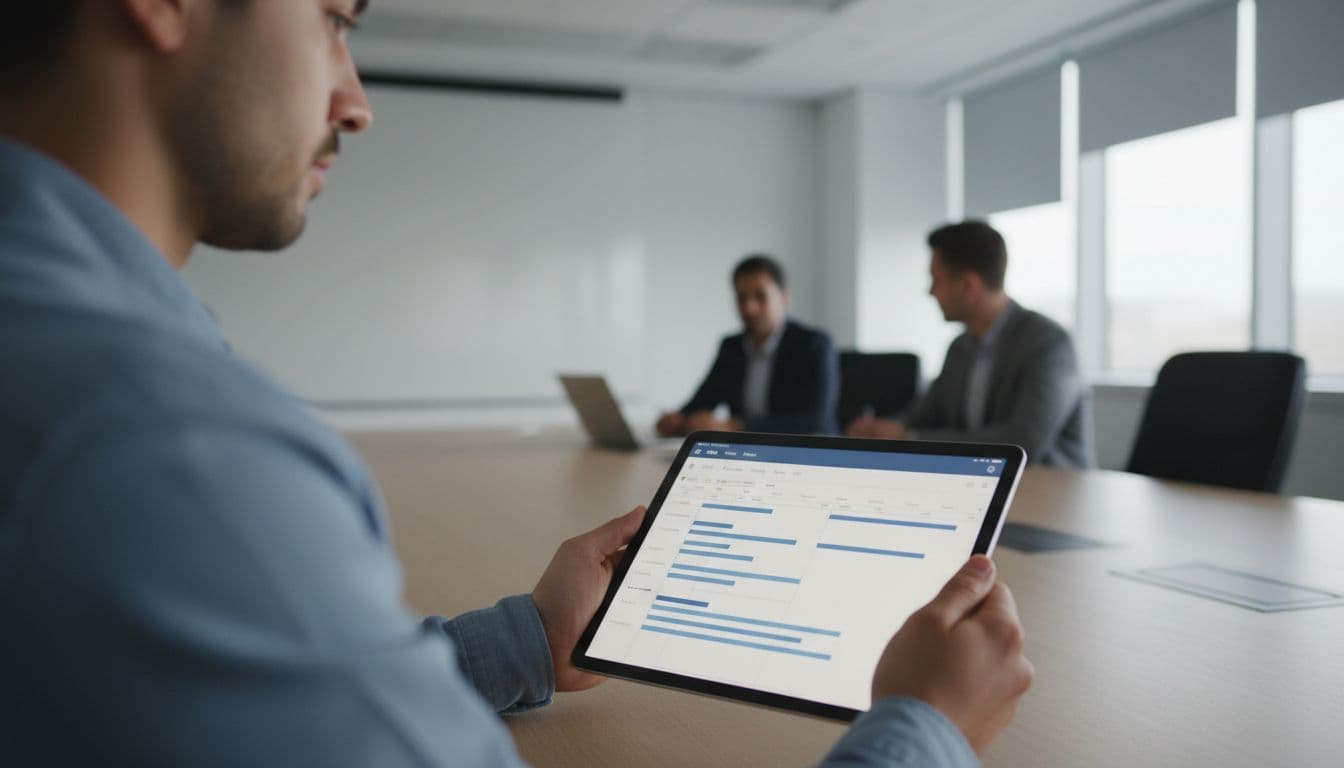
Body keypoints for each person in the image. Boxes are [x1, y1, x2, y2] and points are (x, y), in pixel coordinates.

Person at [0, 2, 1031, 765]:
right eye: (332, 21)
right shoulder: (155, 442)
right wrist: (925, 731)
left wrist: (531, 639)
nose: (356, 103)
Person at [848, 221, 1094, 468]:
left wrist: (911, 437)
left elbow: (1023, 441)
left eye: (936, 280)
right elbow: (925, 414)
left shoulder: (1048, 344)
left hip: (1050, 490)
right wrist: (884, 429)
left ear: (969, 285)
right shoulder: (960, 348)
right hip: (981, 481)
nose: (930, 291)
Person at [656, 255, 839, 436]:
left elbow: (814, 420)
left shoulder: (814, 345)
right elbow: (703, 401)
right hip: (747, 455)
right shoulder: (731, 347)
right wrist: (679, 419)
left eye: (760, 296)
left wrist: (736, 425)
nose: (749, 308)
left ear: (784, 298)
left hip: (808, 456)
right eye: (741, 298)